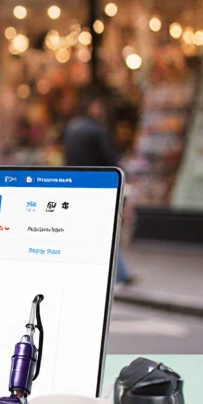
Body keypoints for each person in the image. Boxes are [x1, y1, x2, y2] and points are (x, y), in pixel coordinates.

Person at [64, 95, 133, 284]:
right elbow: (110, 159)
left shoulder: (72, 127)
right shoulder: (96, 130)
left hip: (75, 184)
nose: (100, 110)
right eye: (97, 106)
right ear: (91, 108)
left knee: (84, 228)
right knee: (105, 229)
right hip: (97, 186)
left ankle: (117, 273)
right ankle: (121, 274)